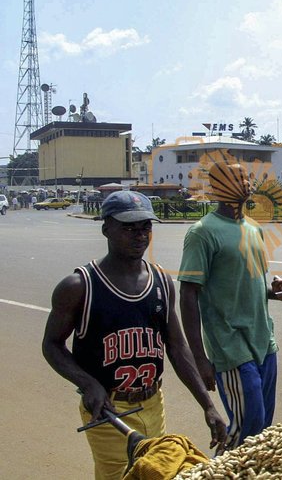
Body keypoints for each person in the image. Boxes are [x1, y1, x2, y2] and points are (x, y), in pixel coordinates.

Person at [42, 190, 227, 480]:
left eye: (145, 227)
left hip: (152, 403)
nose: (140, 235)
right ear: (106, 229)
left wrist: (208, 405)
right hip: (108, 409)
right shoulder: (80, 286)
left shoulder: (161, 282)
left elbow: (176, 347)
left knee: (156, 471)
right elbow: (52, 345)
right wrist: (88, 383)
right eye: (129, 228)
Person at [178, 161, 282, 452]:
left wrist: (277, 293)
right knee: (247, 427)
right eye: (236, 178)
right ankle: (219, 469)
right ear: (218, 187)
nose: (245, 183)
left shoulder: (254, 229)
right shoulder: (202, 232)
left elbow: (253, 286)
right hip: (230, 346)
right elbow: (188, 295)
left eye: (246, 177)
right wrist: (200, 359)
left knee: (263, 429)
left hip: (264, 342)